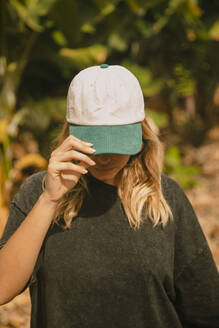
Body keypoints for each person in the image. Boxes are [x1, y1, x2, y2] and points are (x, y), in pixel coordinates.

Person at [0, 64, 218, 328]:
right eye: (94, 143)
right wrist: (50, 199)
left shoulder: (166, 198)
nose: (105, 157)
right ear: (71, 132)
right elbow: (3, 287)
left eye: (116, 141)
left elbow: (205, 310)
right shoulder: (39, 192)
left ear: (141, 131)